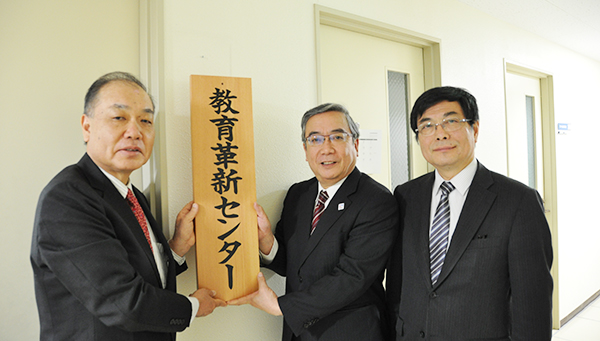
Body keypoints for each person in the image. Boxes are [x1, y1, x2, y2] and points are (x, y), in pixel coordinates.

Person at [30, 71, 225, 341]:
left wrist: (176, 249)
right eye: (118, 118)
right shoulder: (67, 198)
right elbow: (123, 302)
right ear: (87, 127)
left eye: (145, 120)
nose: (134, 132)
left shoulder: (130, 195)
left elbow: (131, 268)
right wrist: (193, 307)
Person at [386, 86, 553, 340]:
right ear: (419, 138)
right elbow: (398, 283)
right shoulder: (406, 196)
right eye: (427, 126)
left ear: (474, 130)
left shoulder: (518, 201)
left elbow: (533, 303)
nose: (439, 134)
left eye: (450, 121)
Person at [229, 103, 399, 340]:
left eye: (337, 137)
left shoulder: (376, 200)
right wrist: (267, 241)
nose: (326, 148)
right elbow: (292, 264)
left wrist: (281, 306)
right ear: (305, 149)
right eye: (315, 139)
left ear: (356, 144)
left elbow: (353, 276)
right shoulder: (299, 194)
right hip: (299, 333)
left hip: (350, 331)